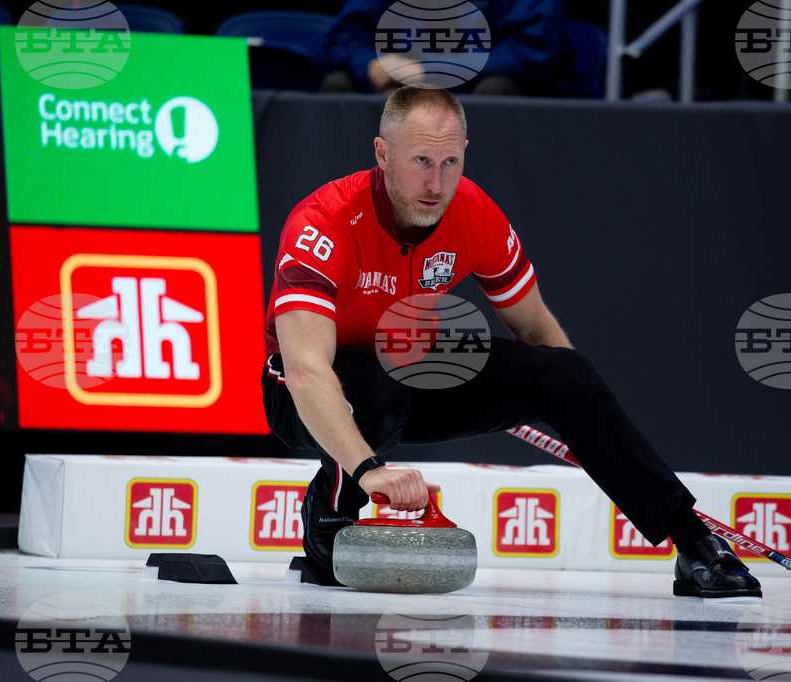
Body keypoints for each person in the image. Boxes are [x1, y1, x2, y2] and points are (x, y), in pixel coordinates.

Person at [261, 86, 761, 598]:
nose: (437, 183)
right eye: (421, 161)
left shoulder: (473, 213)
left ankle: (696, 544)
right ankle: (329, 517)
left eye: (450, 162)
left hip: (409, 372)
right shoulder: (324, 222)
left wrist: (583, 416)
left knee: (564, 373)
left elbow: (538, 331)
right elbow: (305, 369)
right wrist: (369, 472)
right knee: (373, 395)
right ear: (383, 154)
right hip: (302, 392)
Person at [321, 0, 575, 95]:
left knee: (496, 89)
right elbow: (347, 34)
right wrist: (373, 66)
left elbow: (529, 51)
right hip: (395, 85)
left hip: (475, 88)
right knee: (339, 84)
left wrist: (427, 72)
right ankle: (344, 202)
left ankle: (480, 203)